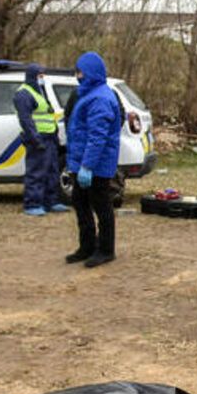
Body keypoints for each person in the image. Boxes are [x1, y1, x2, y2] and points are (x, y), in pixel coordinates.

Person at [63, 52, 123, 268]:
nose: (77, 76)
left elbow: (97, 137)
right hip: (81, 161)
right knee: (80, 202)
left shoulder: (101, 98)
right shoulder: (87, 94)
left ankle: (106, 249)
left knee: (102, 205)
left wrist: (87, 166)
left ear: (90, 72)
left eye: (80, 72)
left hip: (96, 164)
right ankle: (87, 246)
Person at [15, 63, 67, 216]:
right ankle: (32, 203)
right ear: (32, 76)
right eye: (40, 76)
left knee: (52, 171)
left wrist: (55, 135)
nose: (42, 79)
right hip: (37, 139)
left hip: (49, 137)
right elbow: (26, 120)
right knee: (36, 172)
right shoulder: (24, 94)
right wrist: (36, 139)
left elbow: (48, 114)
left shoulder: (41, 91)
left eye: (43, 76)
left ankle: (51, 201)